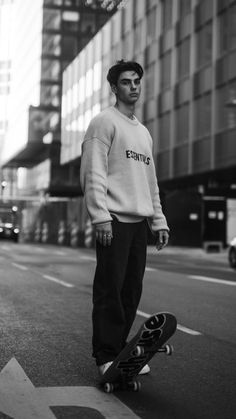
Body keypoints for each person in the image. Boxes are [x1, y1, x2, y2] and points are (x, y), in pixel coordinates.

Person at [80, 60, 169, 376]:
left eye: (137, 81)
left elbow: (150, 182)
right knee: (110, 290)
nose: (134, 86)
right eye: (127, 82)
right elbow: (94, 172)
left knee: (131, 291)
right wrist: (100, 216)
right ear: (114, 87)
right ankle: (105, 354)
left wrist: (158, 221)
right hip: (114, 221)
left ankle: (118, 353)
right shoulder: (104, 123)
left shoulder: (143, 133)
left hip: (138, 226)